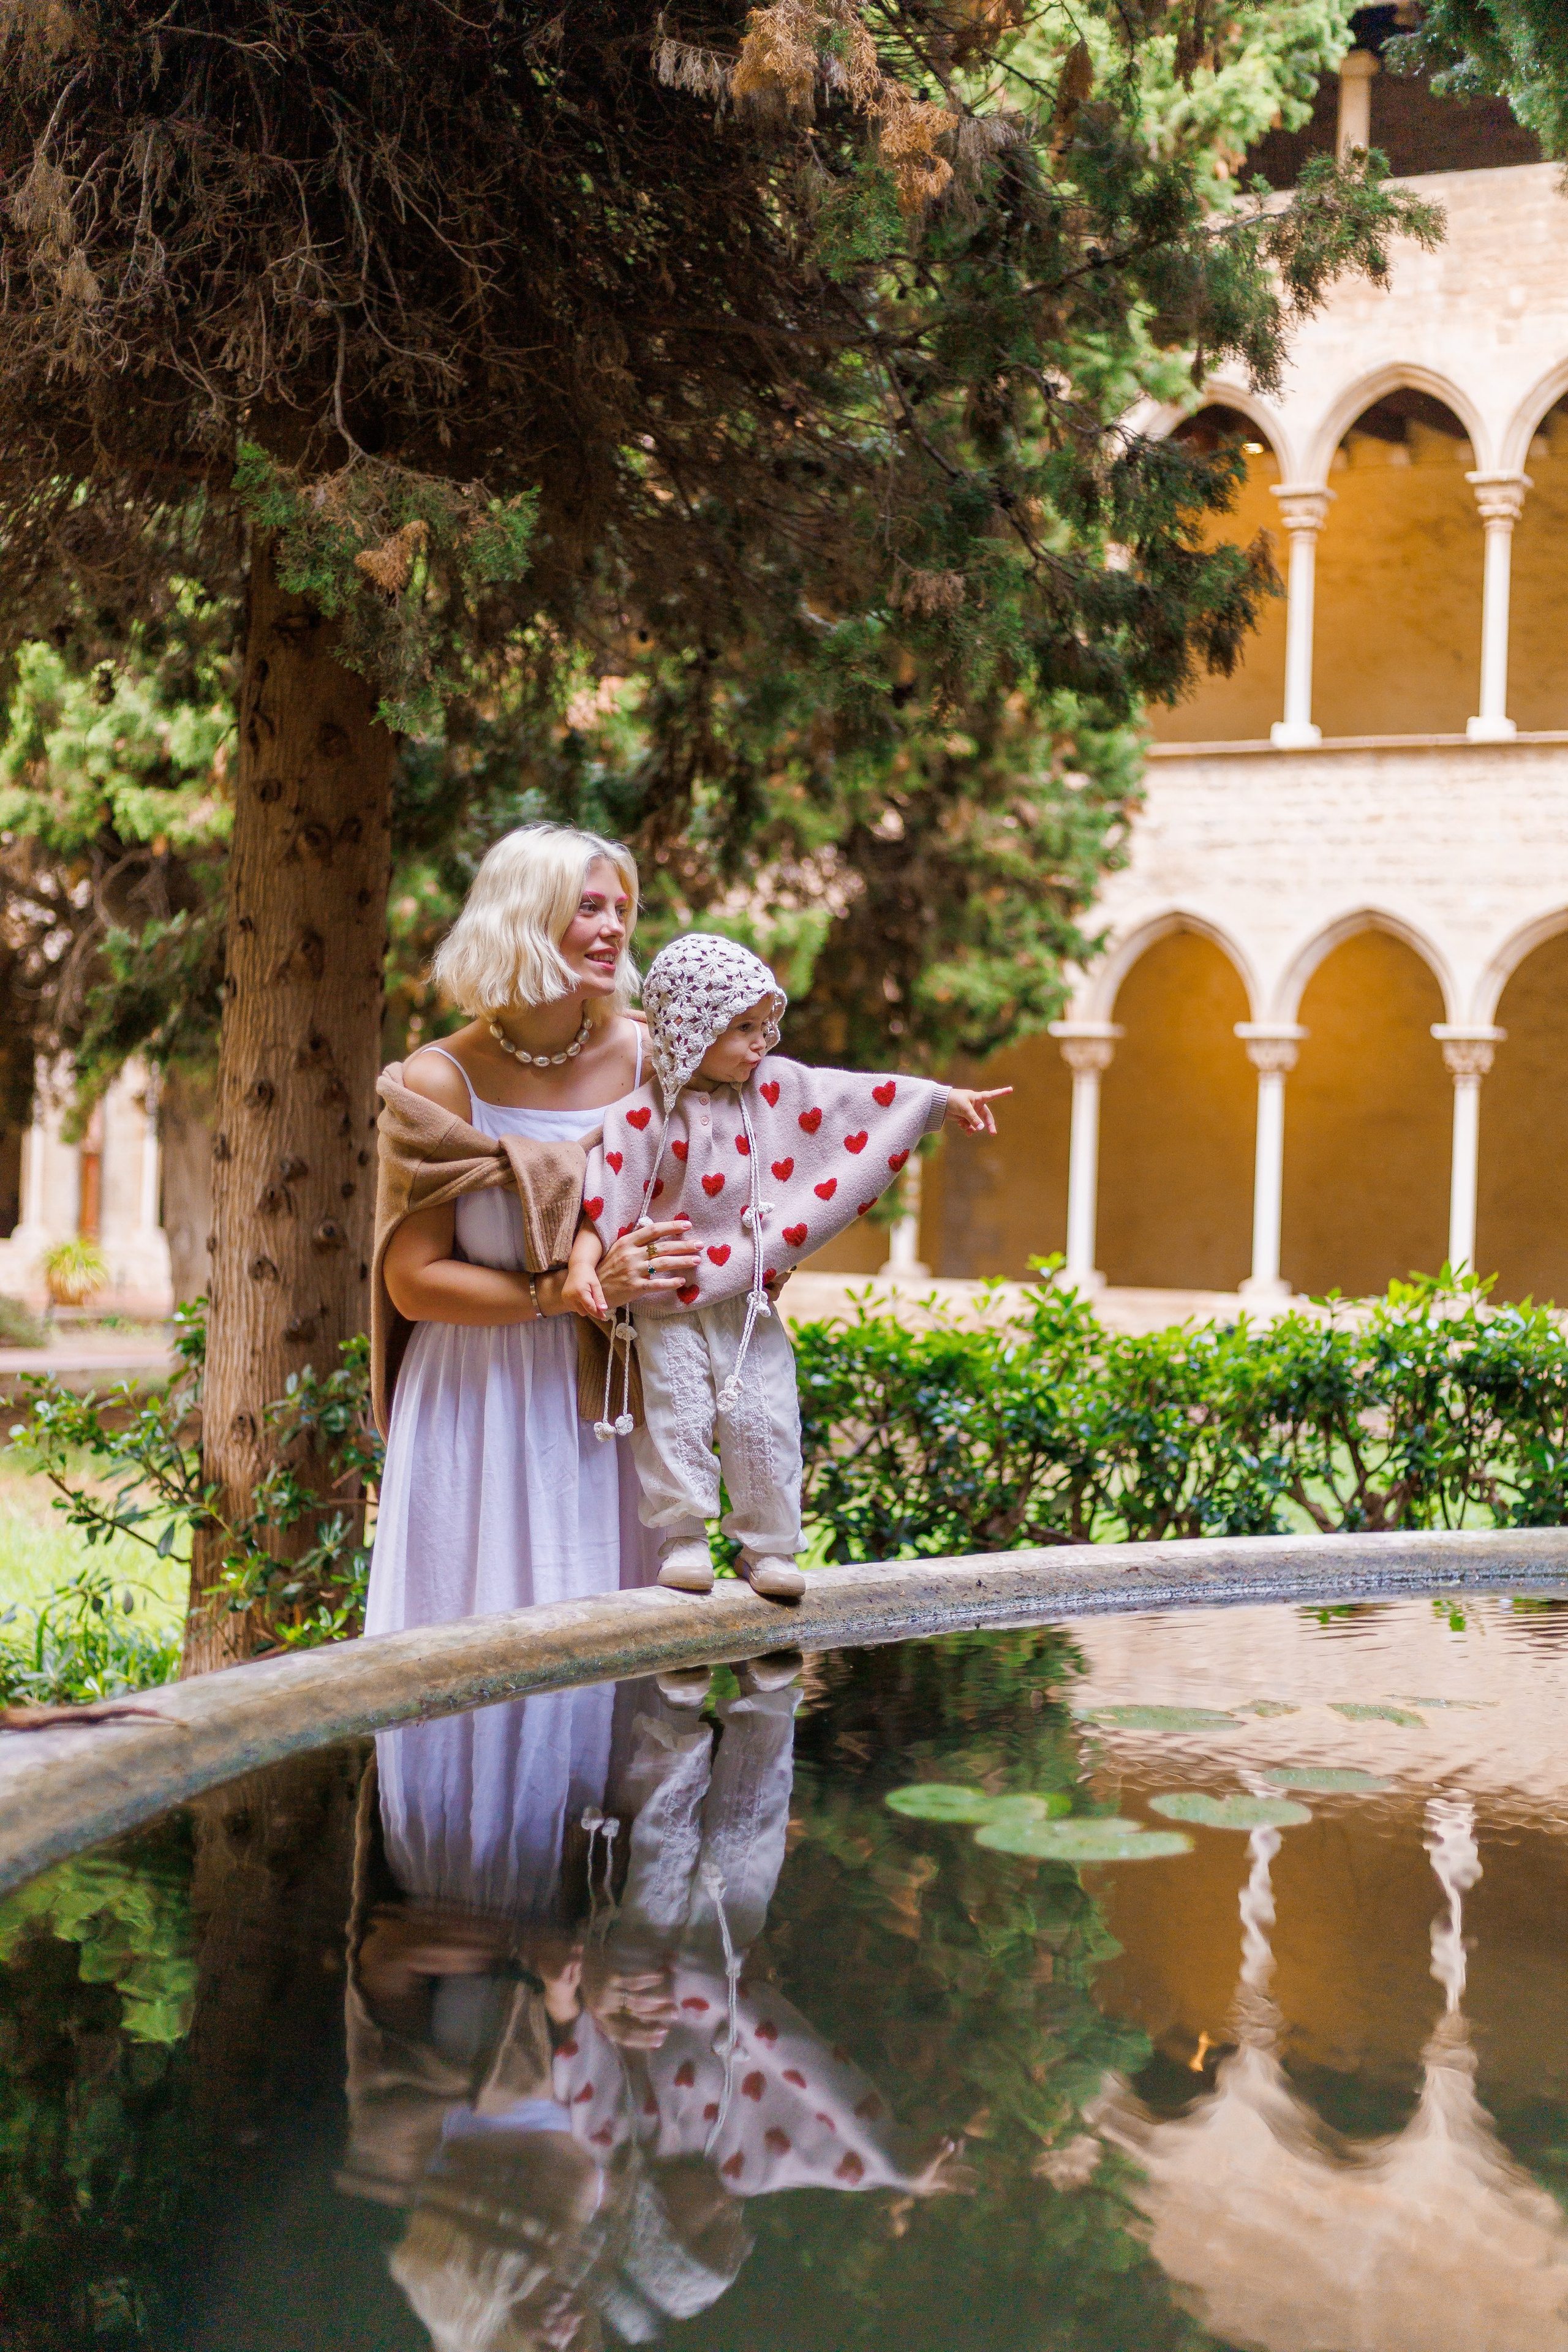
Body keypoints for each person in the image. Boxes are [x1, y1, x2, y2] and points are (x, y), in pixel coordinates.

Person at [563, 933, 1008, 1602]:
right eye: (741, 1029)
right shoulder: (638, 1119)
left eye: (763, 1026)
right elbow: (601, 1203)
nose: (759, 1043)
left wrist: (940, 1103)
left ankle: (767, 1545)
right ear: (690, 1027)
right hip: (660, 1299)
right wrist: (582, 1268)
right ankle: (683, 1537)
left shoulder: (772, 1094)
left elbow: (851, 1100)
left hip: (746, 1299)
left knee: (764, 1414)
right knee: (674, 1411)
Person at [365, 824, 701, 1636]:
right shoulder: (439, 1080)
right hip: (477, 1402)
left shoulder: (651, 1062)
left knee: (611, 1646)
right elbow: (412, 1283)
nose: (615, 926)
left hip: (610, 1403)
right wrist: (566, 1291)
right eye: (589, 906)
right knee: (480, 1632)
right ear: (524, 915)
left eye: (621, 907)